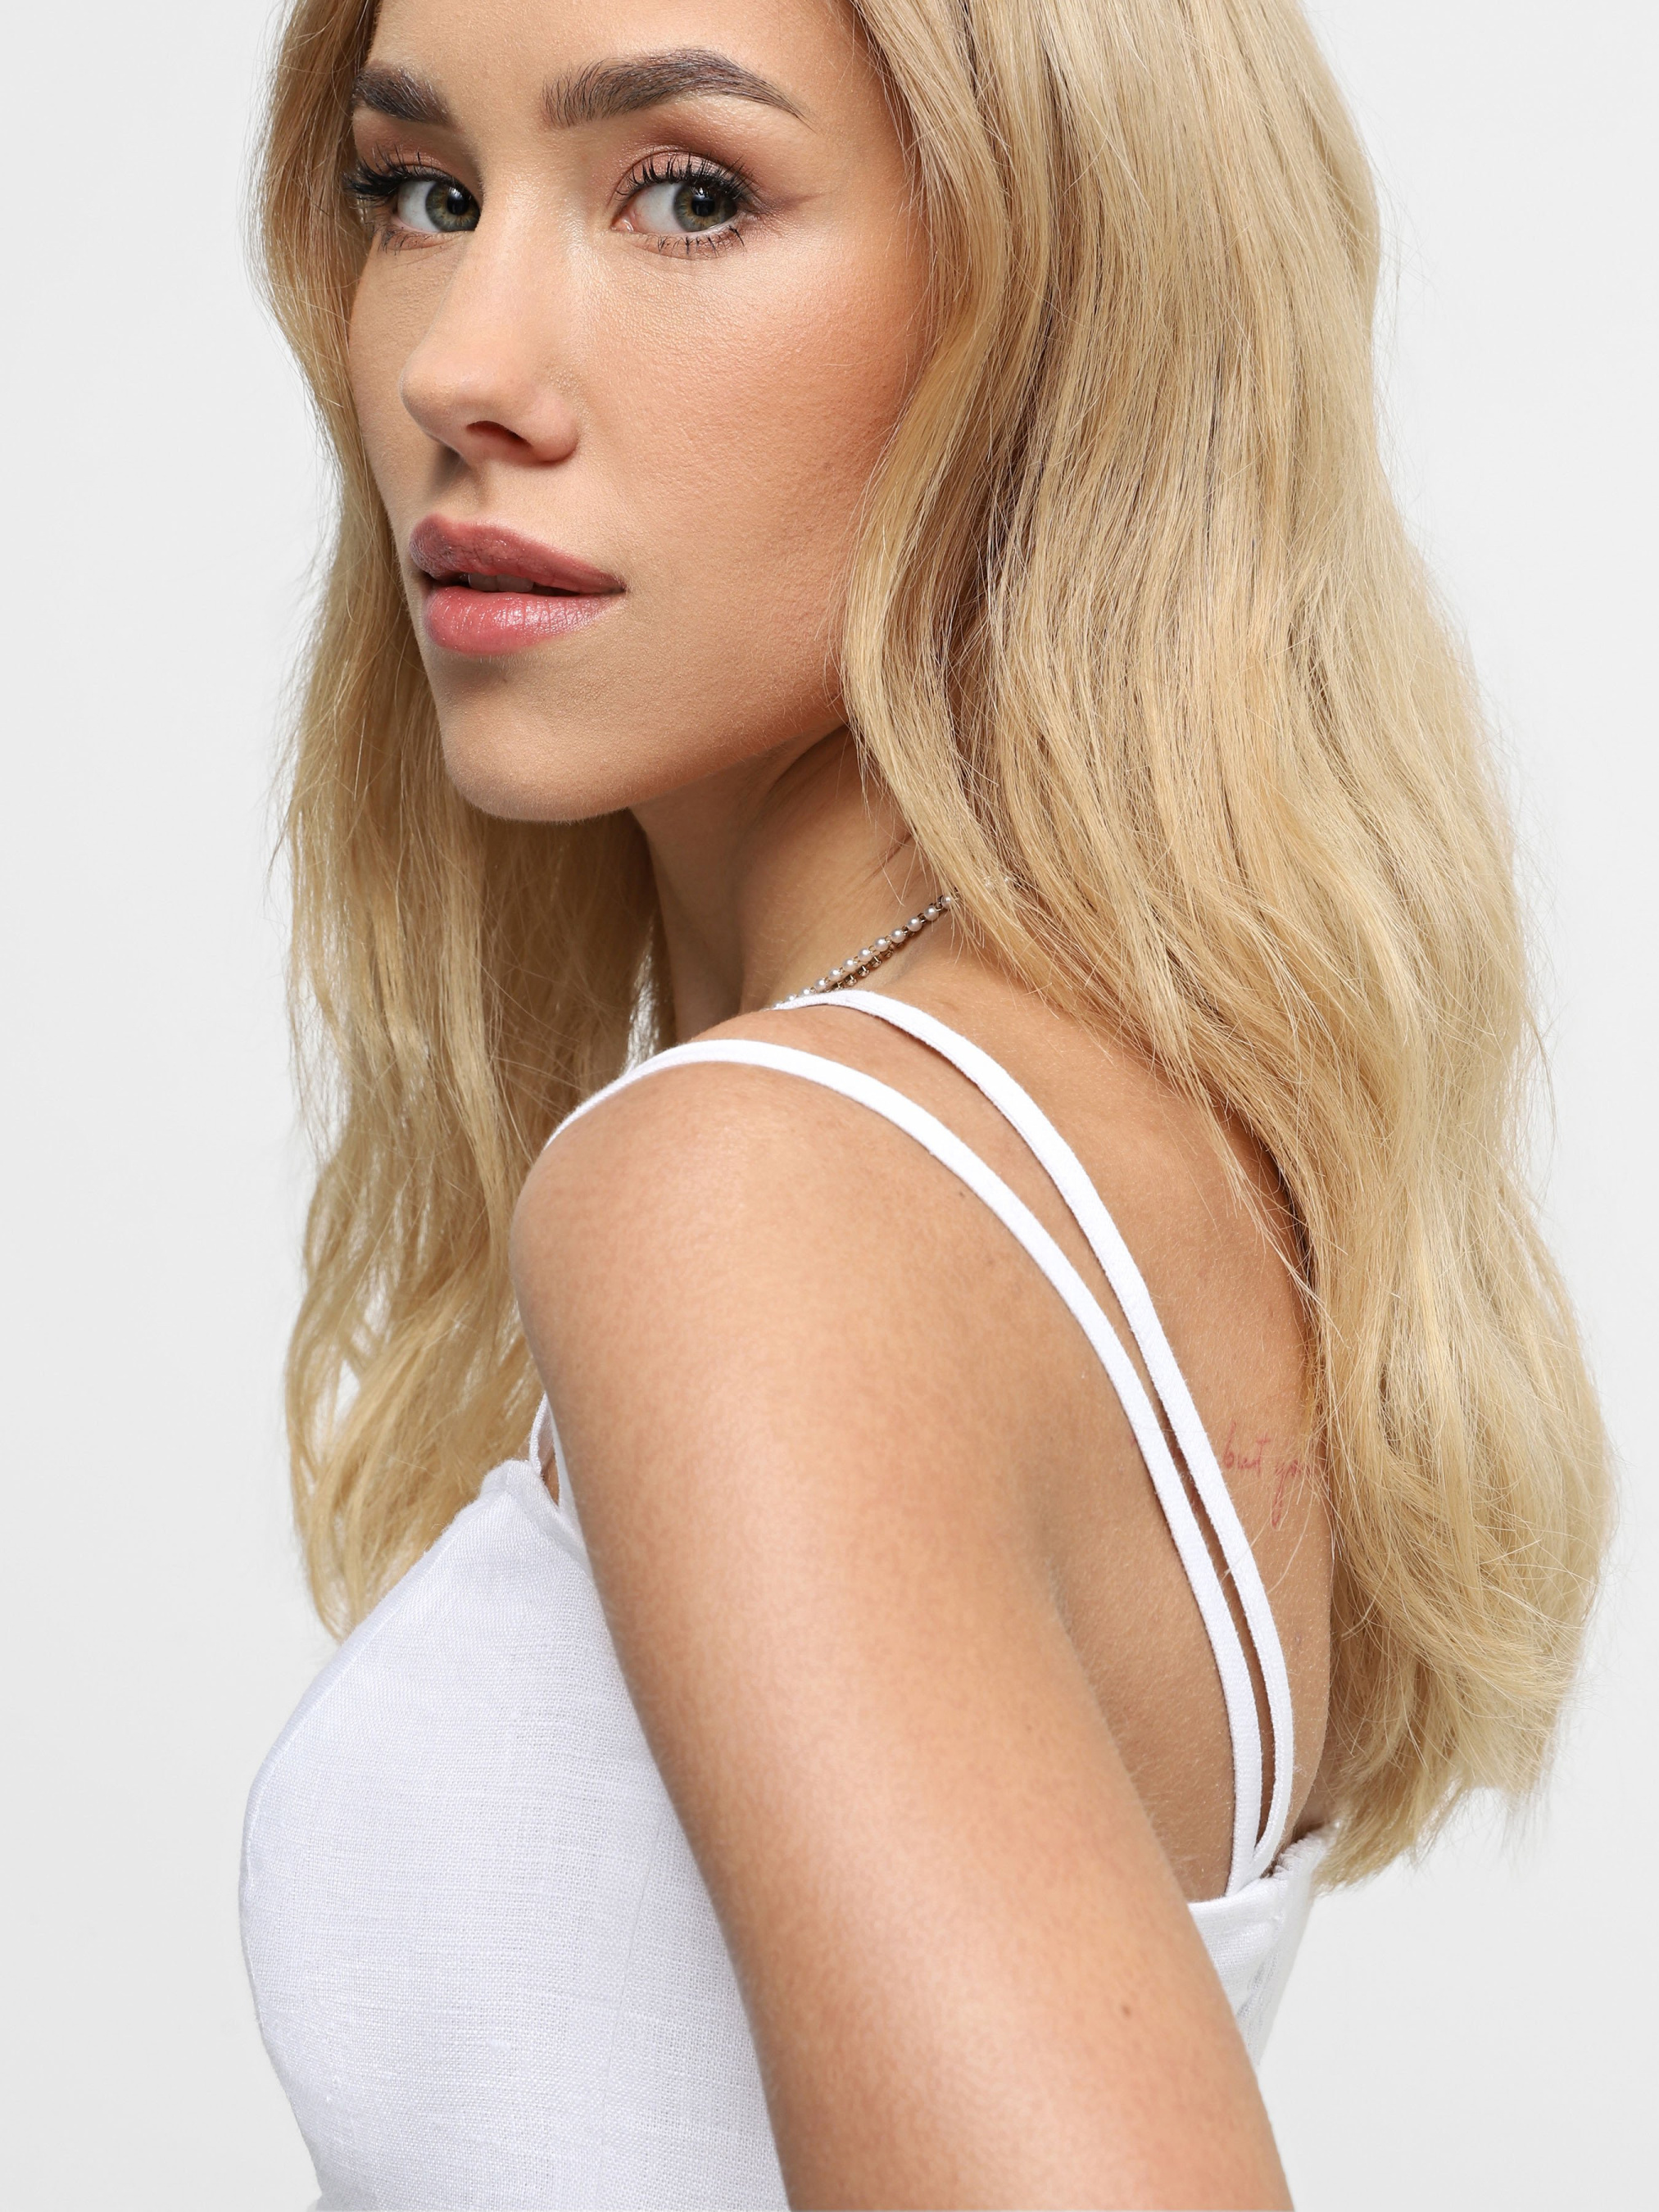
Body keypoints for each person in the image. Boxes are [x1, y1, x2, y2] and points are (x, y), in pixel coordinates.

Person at [238, 0, 1611, 2203]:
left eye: (690, 193)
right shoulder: (1145, 1156)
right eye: (422, 192)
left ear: (1063, 298)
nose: (456, 368)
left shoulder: (762, 1197)